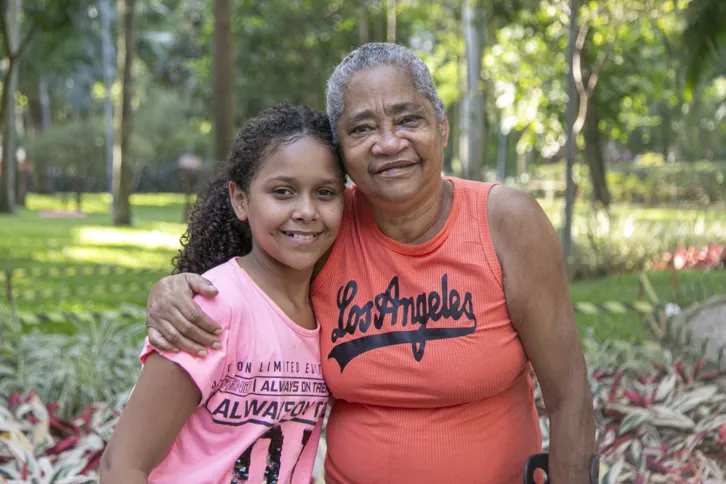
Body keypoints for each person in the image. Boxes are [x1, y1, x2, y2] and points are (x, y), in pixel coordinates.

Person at [144, 43, 596, 483]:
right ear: (339, 151)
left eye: (408, 119)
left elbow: (569, 392)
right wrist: (175, 289)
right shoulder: (323, 226)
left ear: (442, 128)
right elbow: (244, 285)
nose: (388, 142)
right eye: (361, 129)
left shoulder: (506, 223)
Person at [101, 104, 346, 483]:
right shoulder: (214, 309)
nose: (306, 210)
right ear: (241, 200)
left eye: (325, 192)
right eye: (282, 192)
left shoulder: (327, 308)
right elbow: (122, 464)